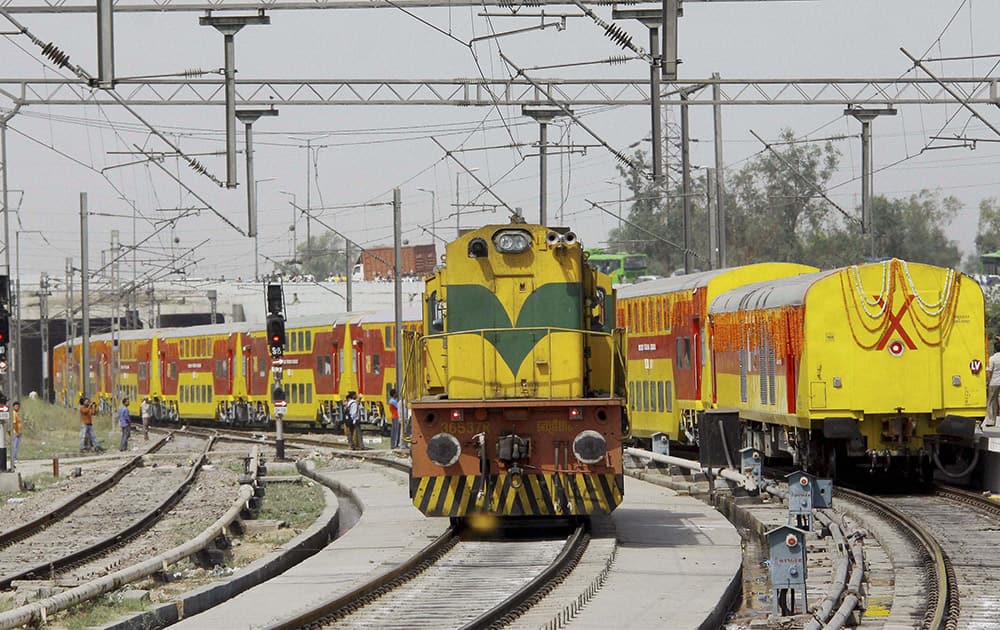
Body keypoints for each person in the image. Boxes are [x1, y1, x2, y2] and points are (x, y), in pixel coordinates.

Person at [987, 340, 1000, 428]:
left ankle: (991, 421)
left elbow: (989, 372)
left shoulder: (992, 358)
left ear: (995, 349)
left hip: (994, 382)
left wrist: (988, 382)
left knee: (991, 401)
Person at [11, 401, 22, 466]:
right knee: (15, 446)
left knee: (16, 446)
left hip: (19, 432)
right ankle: (14, 459)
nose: (17, 407)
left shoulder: (17, 413)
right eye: (16, 406)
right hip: (16, 432)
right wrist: (17, 432)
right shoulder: (14, 413)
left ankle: (15, 457)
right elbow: (14, 423)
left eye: (18, 406)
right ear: (13, 407)